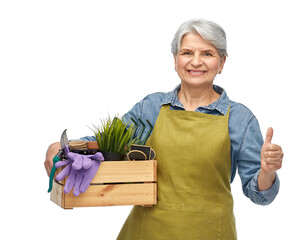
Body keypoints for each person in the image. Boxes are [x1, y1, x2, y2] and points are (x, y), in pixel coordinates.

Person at [44, 19, 283, 240]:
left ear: (221, 63)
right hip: (149, 231)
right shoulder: (152, 107)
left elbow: (259, 194)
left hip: (211, 233)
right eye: (187, 52)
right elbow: (106, 143)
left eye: (207, 54)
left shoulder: (240, 119)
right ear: (175, 59)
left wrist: (267, 172)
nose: (196, 61)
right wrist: (60, 148)